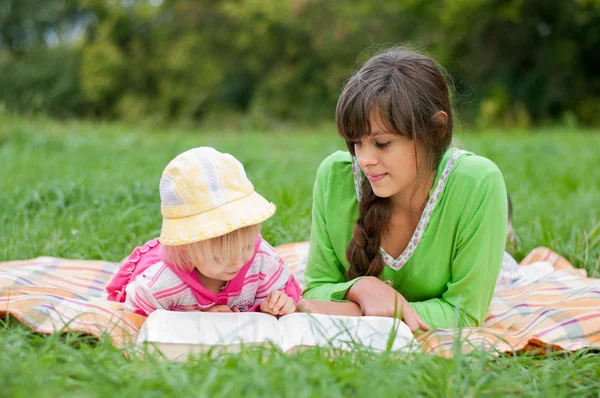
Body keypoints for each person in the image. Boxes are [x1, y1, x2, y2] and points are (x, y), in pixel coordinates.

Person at [299, 48, 508, 332]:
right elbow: (315, 290)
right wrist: (362, 287)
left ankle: (508, 231)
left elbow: (466, 313)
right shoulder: (334, 177)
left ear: (435, 129)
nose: (364, 160)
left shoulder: (477, 184)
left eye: (382, 143)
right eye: (357, 142)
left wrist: (356, 310)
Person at [106, 147, 301, 316]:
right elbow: (136, 318)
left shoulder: (261, 260)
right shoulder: (161, 284)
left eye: (247, 246)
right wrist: (198, 319)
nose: (238, 262)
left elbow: (288, 296)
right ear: (186, 247)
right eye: (219, 258)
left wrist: (275, 304)